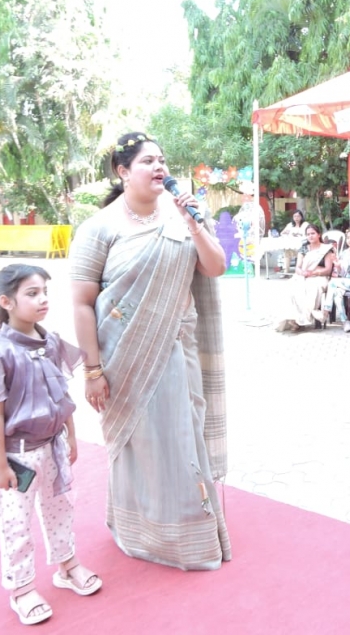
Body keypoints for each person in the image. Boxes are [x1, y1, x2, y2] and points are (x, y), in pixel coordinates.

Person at [68, 132, 231, 570]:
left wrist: (194, 224)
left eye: (162, 160)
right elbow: (82, 303)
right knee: (142, 446)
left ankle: (190, 534)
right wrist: (92, 371)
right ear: (122, 172)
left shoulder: (182, 216)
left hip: (178, 349)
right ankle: (141, 529)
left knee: (182, 438)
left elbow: (216, 267)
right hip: (124, 359)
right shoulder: (99, 228)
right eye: (147, 161)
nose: (159, 167)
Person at [0, 265, 102, 626]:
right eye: (32, 293)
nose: (43, 299)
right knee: (16, 523)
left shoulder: (51, 343)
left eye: (45, 291)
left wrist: (69, 433)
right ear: (6, 302)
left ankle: (67, 566)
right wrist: (0, 465)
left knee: (61, 508)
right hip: (17, 455)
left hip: (52, 447)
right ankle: (21, 588)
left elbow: (61, 393)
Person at [276, 223, 337, 329]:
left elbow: (328, 270)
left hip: (320, 277)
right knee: (292, 287)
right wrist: (303, 273)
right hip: (304, 276)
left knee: (311, 288)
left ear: (319, 234)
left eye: (313, 233)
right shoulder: (303, 249)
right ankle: (293, 318)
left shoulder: (326, 249)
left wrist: (314, 273)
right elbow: (298, 268)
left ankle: (302, 319)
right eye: (308, 234)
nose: (310, 236)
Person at [233, 180, 265, 264]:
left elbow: (257, 223)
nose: (242, 198)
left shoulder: (255, 208)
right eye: (243, 195)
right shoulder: (246, 207)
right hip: (243, 237)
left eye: (245, 195)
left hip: (251, 237)